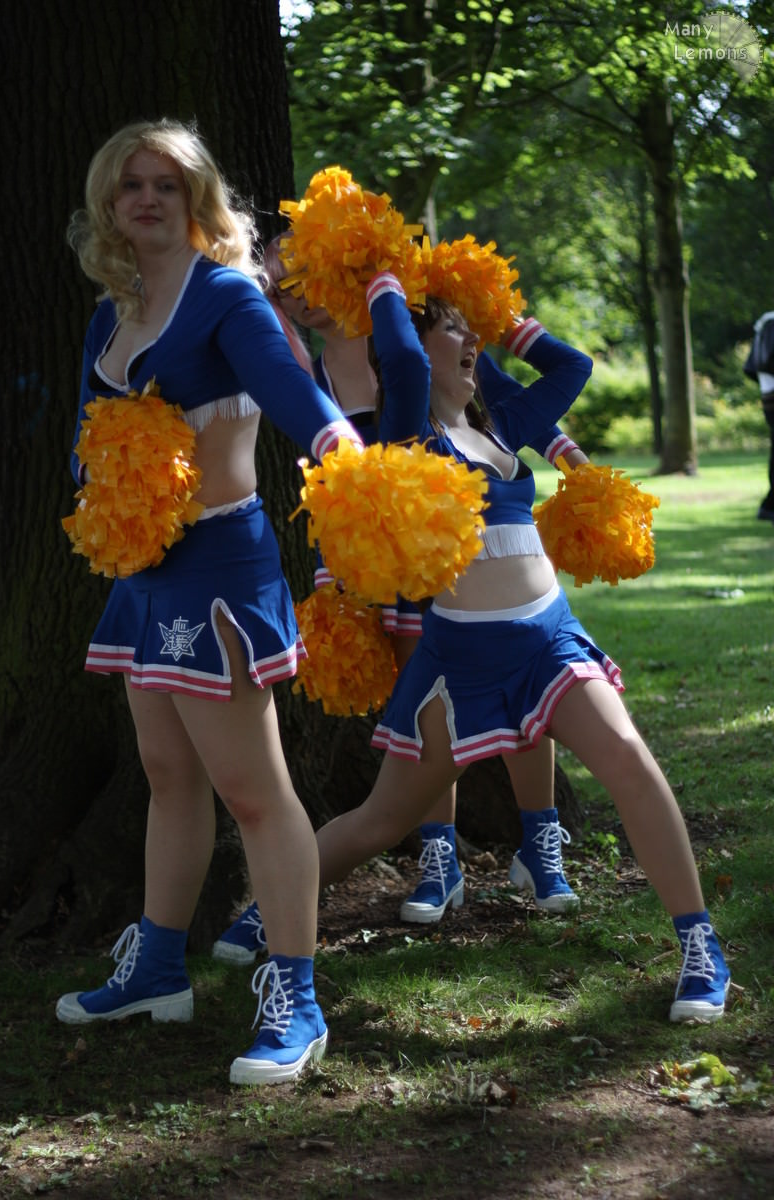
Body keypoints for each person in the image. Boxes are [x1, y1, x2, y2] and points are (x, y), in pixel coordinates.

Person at [306, 268, 730, 1024]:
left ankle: (701, 948)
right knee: (382, 820)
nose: (470, 339)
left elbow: (573, 367)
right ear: (416, 347)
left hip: (550, 640)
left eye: (471, 330)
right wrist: (387, 279)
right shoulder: (407, 436)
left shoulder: (504, 419)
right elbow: (398, 358)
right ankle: (271, 910)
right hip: (459, 662)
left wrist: (501, 319)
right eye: (452, 329)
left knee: (630, 760)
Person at [54, 119, 367, 1086]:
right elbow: (87, 437)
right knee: (166, 773)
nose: (148, 198)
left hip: (221, 567)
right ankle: (157, 968)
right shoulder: (113, 313)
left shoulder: (225, 292)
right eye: (132, 185)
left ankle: (297, 996)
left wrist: (336, 446)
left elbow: (288, 389)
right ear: (109, 202)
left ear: (196, 200)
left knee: (253, 791)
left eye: (168, 184)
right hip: (144, 572)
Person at [211, 245, 589, 972]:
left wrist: (564, 449)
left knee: (522, 688)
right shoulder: (305, 368)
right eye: (284, 290)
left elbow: (493, 410)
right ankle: (439, 859)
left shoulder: (414, 328)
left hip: (463, 554)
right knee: (421, 713)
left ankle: (540, 839)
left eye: (311, 275)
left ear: (347, 270)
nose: (302, 296)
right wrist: (337, 575)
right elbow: (332, 473)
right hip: (387, 563)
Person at [743, 311, 774, 521]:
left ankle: (769, 505)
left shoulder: (764, 322)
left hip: (768, 395)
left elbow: (751, 368)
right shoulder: (770, 323)